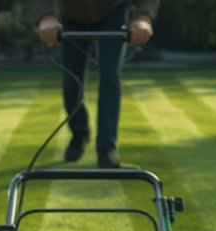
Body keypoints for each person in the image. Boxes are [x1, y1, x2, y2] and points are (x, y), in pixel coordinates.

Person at [35, 1, 160, 168]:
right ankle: (79, 134)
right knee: (71, 83)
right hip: (72, 15)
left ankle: (106, 149)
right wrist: (47, 16)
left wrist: (143, 17)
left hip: (113, 12)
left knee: (110, 77)